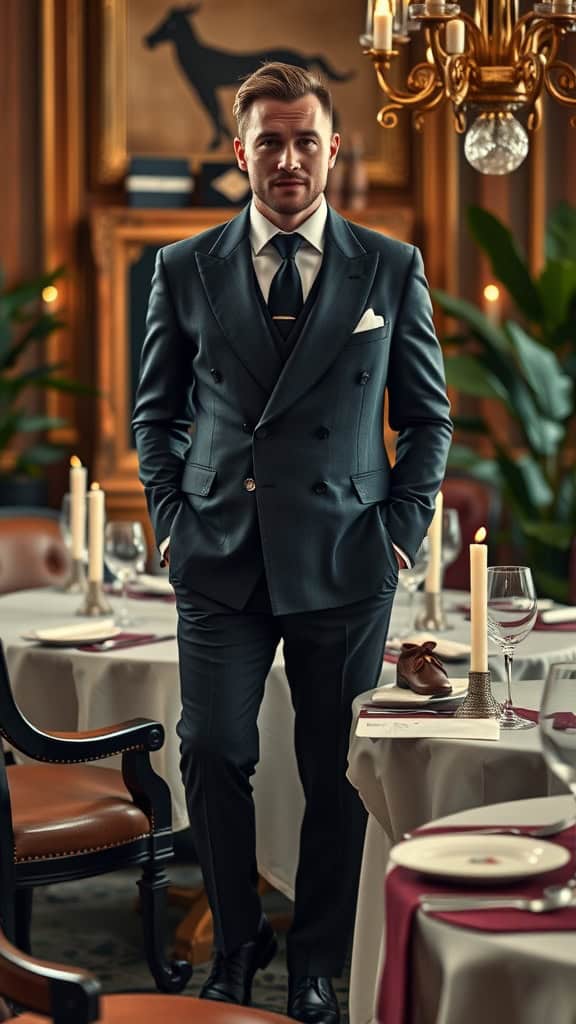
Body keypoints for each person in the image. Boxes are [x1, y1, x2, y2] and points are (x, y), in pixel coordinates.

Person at [132, 62, 452, 1024]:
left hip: (346, 558)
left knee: (333, 773)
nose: (287, 158)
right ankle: (237, 943)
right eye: (268, 141)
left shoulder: (388, 267)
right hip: (220, 552)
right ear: (240, 152)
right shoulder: (183, 268)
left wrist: (399, 526)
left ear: (332, 150)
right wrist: (174, 520)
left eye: (304, 139)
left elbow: (429, 420)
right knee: (214, 750)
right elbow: (155, 418)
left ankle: (313, 961)